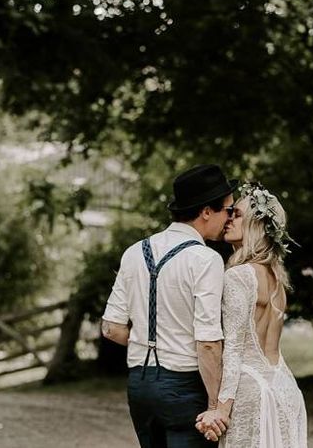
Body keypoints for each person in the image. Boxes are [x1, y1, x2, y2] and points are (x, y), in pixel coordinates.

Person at [101, 164, 238, 447]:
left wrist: (149, 342)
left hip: (139, 384)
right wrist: (214, 405)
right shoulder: (204, 259)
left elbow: (111, 328)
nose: (229, 218)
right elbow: (208, 342)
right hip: (184, 386)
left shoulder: (134, 252)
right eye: (228, 210)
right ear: (206, 211)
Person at [196, 182, 308, 447]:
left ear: (256, 226)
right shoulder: (278, 280)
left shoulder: (239, 276)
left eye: (237, 215)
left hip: (252, 392)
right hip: (284, 386)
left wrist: (220, 410)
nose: (229, 219)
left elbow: (233, 350)